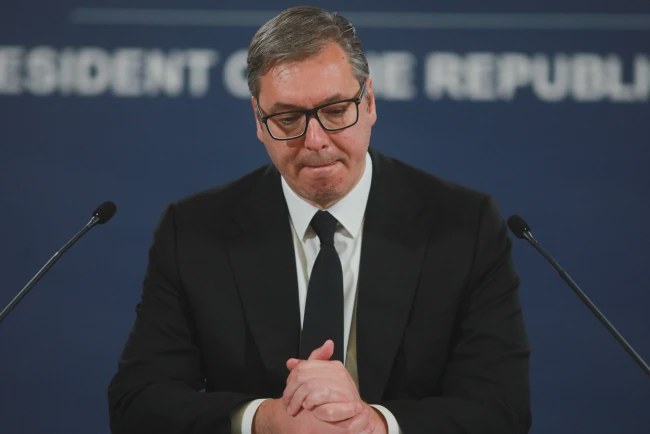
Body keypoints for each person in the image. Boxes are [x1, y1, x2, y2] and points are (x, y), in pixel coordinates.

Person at [108, 6, 531, 434]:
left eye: (335, 110)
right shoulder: (194, 233)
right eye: (288, 119)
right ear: (259, 121)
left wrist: (376, 425)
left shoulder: (464, 227)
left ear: (369, 102)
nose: (315, 140)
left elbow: (501, 409)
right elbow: (138, 404)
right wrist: (263, 420)